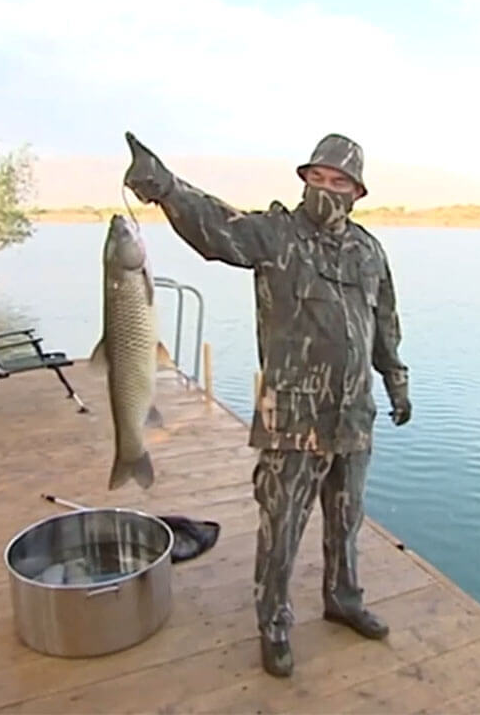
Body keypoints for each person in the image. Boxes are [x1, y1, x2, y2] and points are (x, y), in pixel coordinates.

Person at [122, 131, 411, 677]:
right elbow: (213, 227)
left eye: (339, 181)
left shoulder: (370, 251)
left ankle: (343, 598)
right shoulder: (274, 235)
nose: (327, 188)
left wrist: (395, 379)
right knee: (282, 526)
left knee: (347, 520)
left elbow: (384, 323)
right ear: (304, 180)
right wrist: (164, 187)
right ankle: (274, 623)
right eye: (318, 177)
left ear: (356, 191)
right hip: (293, 418)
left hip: (353, 414)